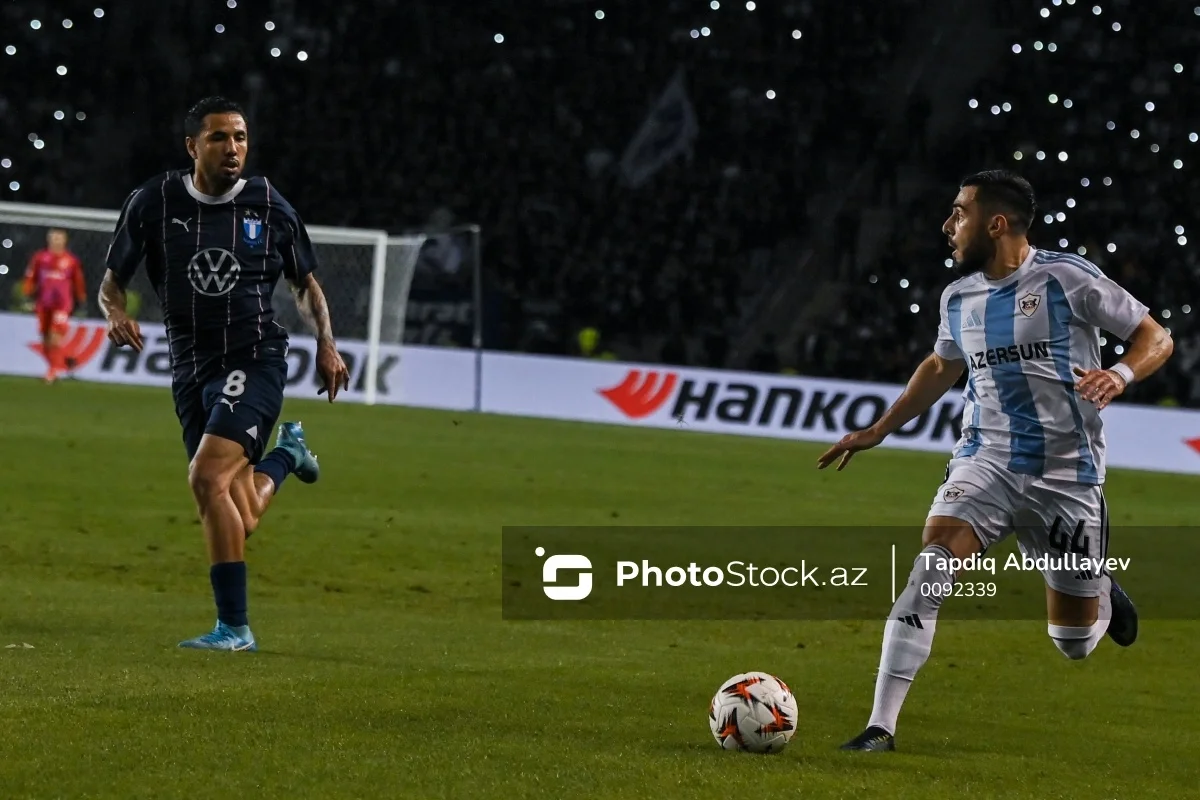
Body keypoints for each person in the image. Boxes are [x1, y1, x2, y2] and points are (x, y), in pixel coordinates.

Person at [817, 169, 1174, 751]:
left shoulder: (1068, 279)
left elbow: (1155, 336)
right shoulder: (958, 297)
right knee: (929, 566)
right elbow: (941, 367)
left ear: (997, 223)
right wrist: (879, 428)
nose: (947, 225)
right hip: (986, 460)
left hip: (1066, 473)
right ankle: (881, 726)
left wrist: (1120, 372)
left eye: (959, 212)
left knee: (1074, 642)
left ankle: (1101, 586)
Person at [98, 96, 351, 652]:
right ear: (192, 147)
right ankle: (289, 455)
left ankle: (234, 628)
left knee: (205, 478)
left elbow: (304, 286)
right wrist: (116, 313)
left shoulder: (268, 205)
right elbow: (111, 281)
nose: (232, 148)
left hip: (254, 358)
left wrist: (327, 345)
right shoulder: (154, 201)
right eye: (218, 138)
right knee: (240, 512)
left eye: (239, 137)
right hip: (190, 369)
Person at [23, 228, 87, 382]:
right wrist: (27, 294)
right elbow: (31, 277)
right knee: (45, 339)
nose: (56, 241)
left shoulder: (71, 261)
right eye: (53, 238)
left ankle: (52, 373)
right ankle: (65, 360)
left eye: (59, 238)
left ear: (65, 241)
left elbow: (78, 282)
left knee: (54, 337)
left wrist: (81, 299)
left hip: (62, 305)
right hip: (44, 303)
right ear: (48, 240)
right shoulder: (40, 258)